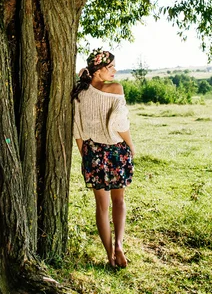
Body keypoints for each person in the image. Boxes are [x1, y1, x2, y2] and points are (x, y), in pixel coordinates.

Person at [71, 48, 135, 268]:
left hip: (93, 153)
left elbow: (77, 130)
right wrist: (131, 145)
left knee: (101, 207)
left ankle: (109, 254)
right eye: (110, 67)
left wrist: (86, 156)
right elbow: (120, 124)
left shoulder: (80, 92)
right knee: (119, 201)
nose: (115, 71)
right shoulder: (115, 89)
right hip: (116, 151)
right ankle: (119, 245)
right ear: (98, 70)